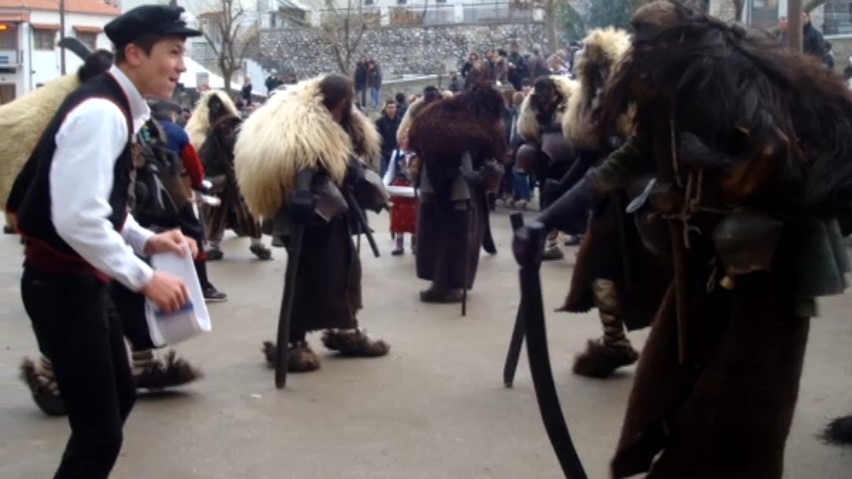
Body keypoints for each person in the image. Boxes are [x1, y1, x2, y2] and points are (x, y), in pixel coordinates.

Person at [515, 2, 852, 476]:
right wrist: (546, 218)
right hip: (699, 266)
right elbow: (623, 161)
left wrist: (717, 163)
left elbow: (777, 154)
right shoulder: (666, 93)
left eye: (649, 43)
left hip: (761, 268)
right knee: (669, 378)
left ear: (677, 43)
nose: (640, 52)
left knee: (741, 402)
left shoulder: (733, 79)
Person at [6, 5, 201, 478]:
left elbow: (100, 203)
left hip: (82, 285)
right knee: (99, 433)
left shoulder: (116, 106)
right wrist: (144, 277)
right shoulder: (101, 112)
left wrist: (147, 240)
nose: (182, 66)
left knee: (121, 396)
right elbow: (77, 219)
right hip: (62, 288)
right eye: (173, 52)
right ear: (134, 54)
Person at [235, 74, 390, 372]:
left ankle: (345, 328)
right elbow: (304, 157)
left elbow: (343, 157)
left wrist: (355, 174)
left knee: (344, 271)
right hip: (307, 215)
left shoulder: (340, 123)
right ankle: (292, 341)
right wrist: (303, 192)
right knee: (306, 276)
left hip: (331, 212)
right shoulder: (304, 123)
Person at [408, 83, 505, 303]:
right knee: (453, 234)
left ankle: (448, 282)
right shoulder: (466, 122)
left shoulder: (437, 115)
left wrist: (486, 174)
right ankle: (444, 282)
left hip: (453, 185)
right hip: (456, 187)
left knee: (450, 234)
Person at [375, 99, 402, 175]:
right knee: (384, 172)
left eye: (393, 107)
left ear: (396, 108)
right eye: (389, 107)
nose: (391, 110)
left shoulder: (399, 121)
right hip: (384, 151)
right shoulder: (380, 121)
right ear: (386, 109)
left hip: (396, 150)